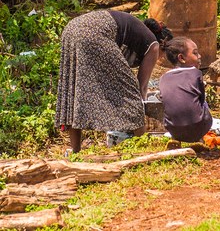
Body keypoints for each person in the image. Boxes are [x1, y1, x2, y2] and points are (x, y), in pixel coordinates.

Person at [55, 10, 173, 153]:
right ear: (162, 44)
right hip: (94, 33)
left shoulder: (138, 33)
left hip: (71, 29)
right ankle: (144, 145)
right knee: (131, 91)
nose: (158, 59)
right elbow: (140, 88)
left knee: (74, 90)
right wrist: (138, 112)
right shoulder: (154, 45)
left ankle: (75, 151)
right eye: (162, 56)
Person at [159, 37, 213, 143]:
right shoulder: (196, 73)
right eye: (195, 53)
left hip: (173, 128)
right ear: (182, 58)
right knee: (204, 104)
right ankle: (199, 140)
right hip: (198, 125)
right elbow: (201, 100)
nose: (199, 56)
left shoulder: (164, 77)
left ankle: (176, 140)